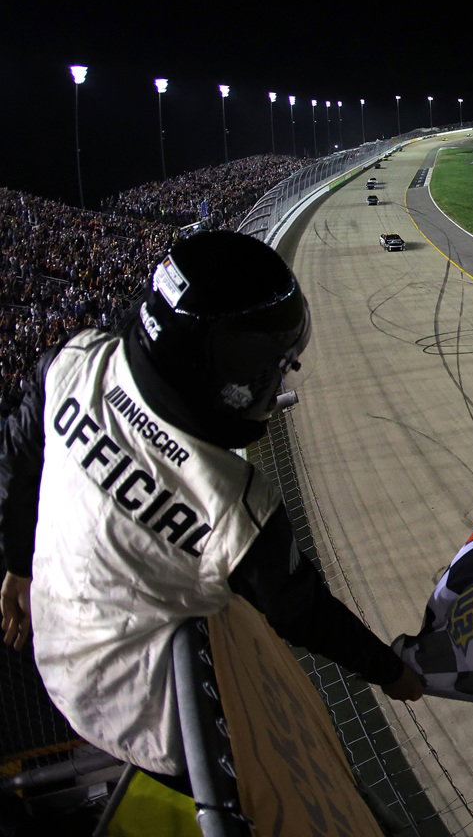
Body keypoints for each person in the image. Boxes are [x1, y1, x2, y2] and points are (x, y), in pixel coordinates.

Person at [0, 229, 423, 786]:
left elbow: (19, 449)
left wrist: (16, 561)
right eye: (275, 364)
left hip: (56, 659)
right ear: (223, 368)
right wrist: (391, 671)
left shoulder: (73, 362)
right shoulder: (234, 502)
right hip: (164, 736)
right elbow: (305, 614)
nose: (275, 378)